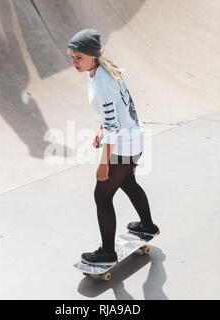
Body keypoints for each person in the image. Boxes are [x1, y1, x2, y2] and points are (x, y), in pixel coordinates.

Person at [67, 29, 159, 266]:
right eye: (72, 56)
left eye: (78, 57)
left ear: (92, 56)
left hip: (124, 145)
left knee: (102, 195)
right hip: (133, 139)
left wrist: (104, 163)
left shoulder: (102, 83)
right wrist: (100, 128)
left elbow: (113, 126)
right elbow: (111, 113)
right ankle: (147, 225)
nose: (74, 62)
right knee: (128, 182)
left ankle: (107, 252)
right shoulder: (99, 70)